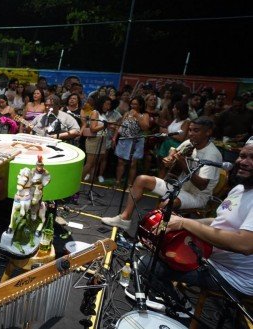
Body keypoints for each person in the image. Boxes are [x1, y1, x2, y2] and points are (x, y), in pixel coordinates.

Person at [143, 139, 253, 312]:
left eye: (252, 158)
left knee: (149, 265)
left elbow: (245, 244)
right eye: (242, 156)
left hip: (232, 276)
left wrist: (185, 222)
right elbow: (218, 221)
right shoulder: (240, 188)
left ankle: (181, 309)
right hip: (212, 258)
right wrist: (180, 224)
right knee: (159, 248)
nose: (243, 161)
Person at [102, 117, 222, 230]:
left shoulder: (212, 154)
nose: (190, 133)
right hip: (179, 187)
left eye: (196, 131)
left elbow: (202, 185)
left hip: (197, 196)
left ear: (208, 132)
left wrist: (183, 163)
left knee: (167, 203)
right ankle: (124, 219)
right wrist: (170, 159)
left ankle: (153, 233)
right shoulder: (188, 143)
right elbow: (174, 158)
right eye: (190, 130)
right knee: (141, 180)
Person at [112, 95, 150, 187]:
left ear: (140, 105)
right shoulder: (126, 113)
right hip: (124, 140)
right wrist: (114, 137)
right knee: (120, 162)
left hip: (136, 142)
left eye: (135, 104)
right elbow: (120, 126)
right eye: (132, 104)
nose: (133, 106)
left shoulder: (144, 115)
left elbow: (145, 127)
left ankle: (130, 184)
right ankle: (118, 182)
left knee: (133, 163)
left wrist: (137, 115)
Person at [157, 101, 190, 179]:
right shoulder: (175, 119)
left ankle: (165, 186)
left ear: (179, 110)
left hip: (175, 147)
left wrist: (167, 133)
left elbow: (181, 137)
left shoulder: (187, 121)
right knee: (161, 166)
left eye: (174, 108)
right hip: (166, 144)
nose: (173, 109)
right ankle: (158, 184)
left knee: (169, 168)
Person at [82, 96, 111, 182]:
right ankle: (79, 180)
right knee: (89, 163)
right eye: (107, 104)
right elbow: (93, 128)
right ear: (101, 104)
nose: (108, 106)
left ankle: (91, 181)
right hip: (95, 139)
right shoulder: (95, 112)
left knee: (96, 163)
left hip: (102, 139)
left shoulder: (103, 114)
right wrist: (104, 126)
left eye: (109, 105)